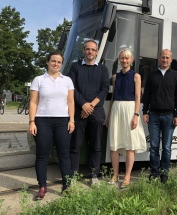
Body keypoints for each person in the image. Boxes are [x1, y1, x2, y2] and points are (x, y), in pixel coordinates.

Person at [28, 52, 75, 199]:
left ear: (61, 64)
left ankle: (66, 186)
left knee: (64, 155)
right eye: (53, 61)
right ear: (47, 62)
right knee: (42, 155)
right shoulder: (38, 80)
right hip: (43, 121)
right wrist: (32, 122)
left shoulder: (67, 80)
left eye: (59, 62)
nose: (56, 64)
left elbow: (71, 102)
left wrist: (71, 120)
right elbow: (33, 102)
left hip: (62, 121)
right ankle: (42, 186)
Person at [68, 39, 110, 184]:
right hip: (78, 112)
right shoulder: (75, 67)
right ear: (83, 51)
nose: (90, 52)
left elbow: (105, 89)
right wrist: (84, 104)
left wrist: (90, 105)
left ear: (97, 52)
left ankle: (94, 176)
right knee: (75, 146)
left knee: (96, 145)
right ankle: (72, 176)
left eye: (93, 49)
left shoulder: (103, 69)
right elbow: (71, 88)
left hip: (96, 111)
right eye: (87, 49)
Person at [105, 49, 147, 188]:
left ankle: (127, 176)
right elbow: (112, 97)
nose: (124, 60)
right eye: (122, 58)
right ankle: (115, 174)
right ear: (119, 59)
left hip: (130, 110)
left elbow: (137, 97)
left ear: (131, 60)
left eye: (127, 58)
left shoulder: (136, 76)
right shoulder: (115, 77)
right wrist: (109, 115)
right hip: (116, 109)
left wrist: (136, 115)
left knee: (130, 145)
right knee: (114, 144)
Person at [142, 49, 177, 183]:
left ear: (171, 59)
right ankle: (154, 172)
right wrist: (144, 112)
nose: (164, 60)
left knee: (166, 146)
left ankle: (164, 173)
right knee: (154, 146)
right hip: (153, 115)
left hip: (169, 116)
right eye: (162, 57)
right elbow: (146, 94)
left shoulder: (176, 75)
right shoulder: (152, 75)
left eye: (167, 58)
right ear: (158, 58)